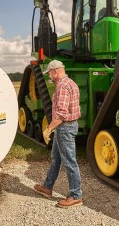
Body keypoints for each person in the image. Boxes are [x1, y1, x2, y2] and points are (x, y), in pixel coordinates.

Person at [33, 60, 83, 208]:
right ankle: (47, 188)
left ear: (54, 71)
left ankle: (76, 196)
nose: (49, 75)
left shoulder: (62, 87)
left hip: (64, 128)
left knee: (69, 161)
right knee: (56, 158)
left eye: (49, 72)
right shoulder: (71, 83)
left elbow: (61, 114)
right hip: (66, 127)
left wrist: (49, 128)